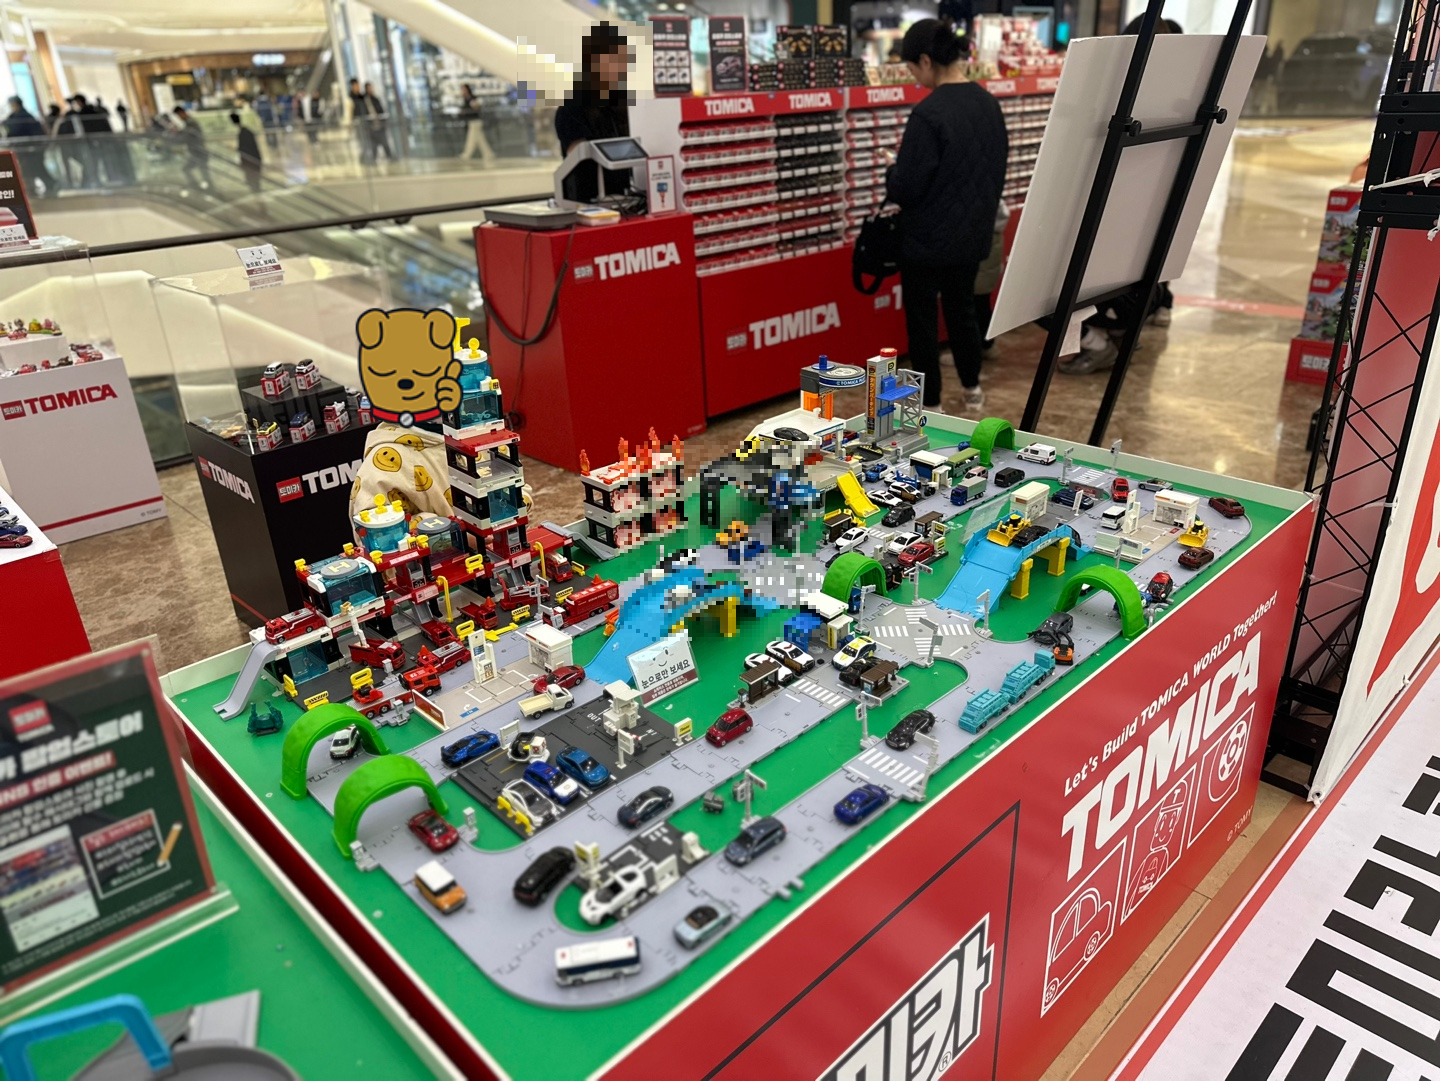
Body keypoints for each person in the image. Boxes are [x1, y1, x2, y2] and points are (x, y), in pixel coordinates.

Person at [882, 18, 1006, 412]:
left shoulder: (928, 114)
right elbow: (993, 171)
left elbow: (906, 187)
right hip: (972, 234)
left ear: (925, 60)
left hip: (926, 239)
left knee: (922, 322)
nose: (914, 77)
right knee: (963, 311)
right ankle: (972, 389)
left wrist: (891, 169)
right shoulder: (988, 104)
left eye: (911, 68)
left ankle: (931, 403)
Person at [1062, 17, 1183, 375]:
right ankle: (1119, 332)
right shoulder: (1179, 101)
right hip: (1141, 244)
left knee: (1056, 296)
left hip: (1119, 237)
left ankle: (1106, 337)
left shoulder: (1120, 99)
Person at [554, 22, 633, 203]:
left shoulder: (620, 106)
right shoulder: (572, 107)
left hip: (626, 198)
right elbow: (580, 159)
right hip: (588, 202)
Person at [2, 97, 57, 196]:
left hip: (30, 149)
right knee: (32, 169)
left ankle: (43, 186)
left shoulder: (22, 117)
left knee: (33, 168)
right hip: (28, 149)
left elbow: (15, 130)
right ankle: (35, 188)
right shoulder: (19, 116)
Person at [172, 106, 210, 189]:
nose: (179, 118)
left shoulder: (191, 123)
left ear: (182, 113)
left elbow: (184, 138)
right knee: (201, 171)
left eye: (178, 115)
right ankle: (203, 187)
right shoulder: (189, 123)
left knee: (199, 171)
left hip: (198, 152)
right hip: (197, 152)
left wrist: (176, 134)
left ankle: (200, 187)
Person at [459, 83, 495, 165]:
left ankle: (467, 154)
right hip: (472, 121)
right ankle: (488, 154)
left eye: (463, 89)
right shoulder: (465, 99)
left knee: (471, 139)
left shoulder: (471, 98)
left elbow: (476, 106)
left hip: (475, 121)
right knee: (480, 140)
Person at [231, 111, 262, 193]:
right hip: (253, 158)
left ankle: (256, 192)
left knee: (253, 179)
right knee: (254, 179)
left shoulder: (243, 133)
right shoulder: (246, 132)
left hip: (250, 159)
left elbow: (244, 148)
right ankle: (256, 192)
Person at [362, 82, 393, 160]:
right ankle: (373, 160)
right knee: (373, 148)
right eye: (369, 88)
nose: (371, 89)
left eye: (371, 88)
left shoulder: (376, 99)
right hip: (371, 128)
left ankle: (390, 158)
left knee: (385, 144)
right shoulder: (364, 101)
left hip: (380, 126)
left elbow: (381, 111)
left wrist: (383, 121)